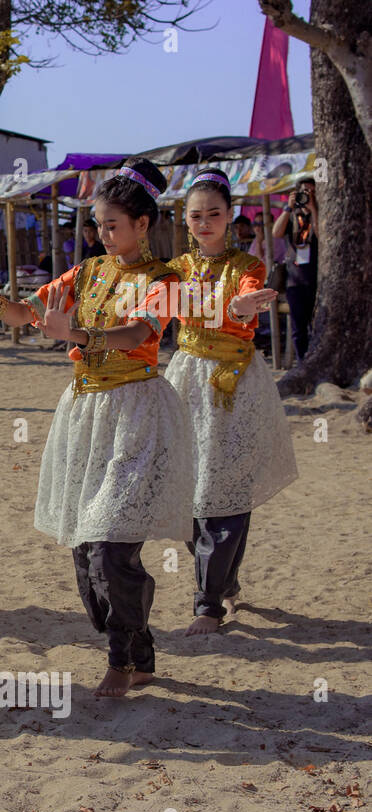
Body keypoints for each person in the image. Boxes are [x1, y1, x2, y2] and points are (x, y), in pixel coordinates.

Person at [0, 159, 193, 699]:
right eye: (97, 225)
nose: (102, 234)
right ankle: (137, 654)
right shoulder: (88, 272)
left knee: (112, 548)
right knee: (85, 546)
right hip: (85, 416)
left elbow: (140, 330)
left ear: (142, 224)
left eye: (113, 225)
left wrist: (82, 333)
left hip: (137, 414)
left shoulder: (165, 279)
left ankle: (122, 658)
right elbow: (29, 312)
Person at [166, 169, 298, 635]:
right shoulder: (176, 269)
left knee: (225, 485)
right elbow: (153, 307)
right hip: (186, 379)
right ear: (185, 219)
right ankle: (222, 579)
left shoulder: (248, 268)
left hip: (234, 383)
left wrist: (245, 307)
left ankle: (207, 603)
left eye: (214, 214)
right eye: (196, 215)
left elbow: (245, 300)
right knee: (188, 487)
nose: (205, 223)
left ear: (229, 216)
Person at [272, 178, 319, 360]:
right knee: (298, 328)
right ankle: (302, 363)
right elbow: (276, 233)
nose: (307, 195)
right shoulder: (293, 216)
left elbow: (322, 234)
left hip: (315, 279)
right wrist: (288, 207)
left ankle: (315, 361)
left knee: (317, 327)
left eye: (311, 192)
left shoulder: (319, 214)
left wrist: (313, 208)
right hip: (294, 280)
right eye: (304, 192)